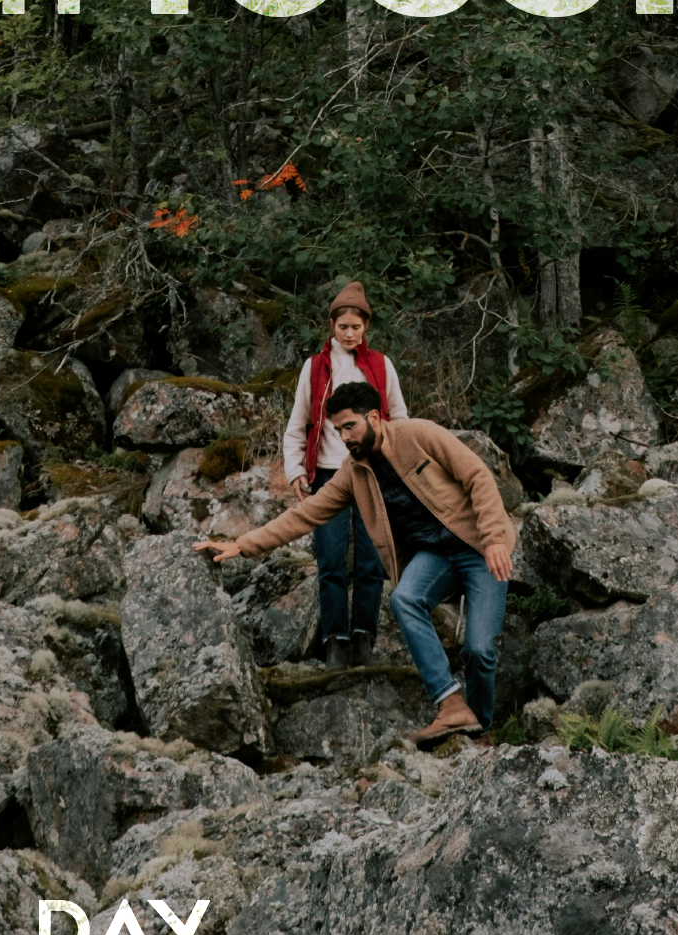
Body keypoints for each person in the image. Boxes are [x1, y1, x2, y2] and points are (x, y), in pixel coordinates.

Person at [199, 379, 514, 745]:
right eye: (338, 430)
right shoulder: (354, 472)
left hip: (478, 545)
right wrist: (242, 545)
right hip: (435, 556)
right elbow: (306, 514)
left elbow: (477, 475)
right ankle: (452, 705)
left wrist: (493, 538)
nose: (345, 437)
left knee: (479, 649)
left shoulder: (419, 434)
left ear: (375, 418)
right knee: (404, 598)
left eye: (350, 426)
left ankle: (480, 727)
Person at [281, 281, 406, 668]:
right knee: (331, 561)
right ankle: (334, 640)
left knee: (372, 560)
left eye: (356, 327)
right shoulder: (315, 368)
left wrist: (399, 469)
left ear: (366, 326)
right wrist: (296, 471)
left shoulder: (381, 365)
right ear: (331, 326)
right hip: (328, 477)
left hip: (372, 472)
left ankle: (364, 639)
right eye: (342, 327)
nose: (349, 334)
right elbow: (297, 425)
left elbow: (399, 420)